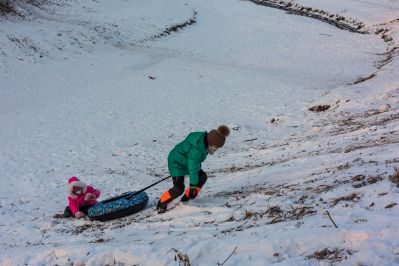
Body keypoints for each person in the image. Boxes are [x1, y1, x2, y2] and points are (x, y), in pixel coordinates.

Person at [156, 125, 230, 214]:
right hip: (176, 162)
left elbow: (194, 164)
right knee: (179, 188)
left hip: (187, 161)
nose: (215, 149)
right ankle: (161, 204)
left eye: (217, 148)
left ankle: (186, 200)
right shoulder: (197, 150)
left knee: (202, 177)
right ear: (210, 142)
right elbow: (193, 169)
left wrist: (193, 188)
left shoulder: (204, 140)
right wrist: (193, 186)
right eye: (214, 147)